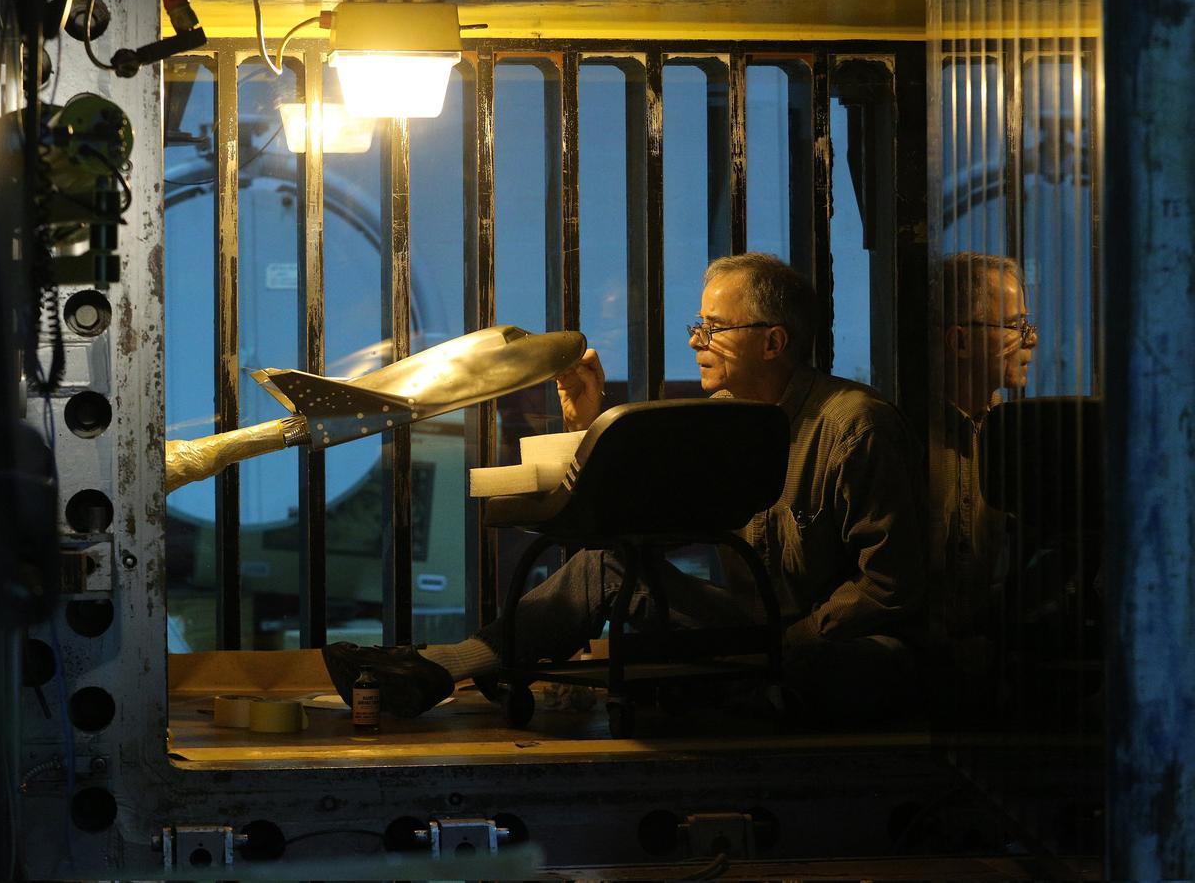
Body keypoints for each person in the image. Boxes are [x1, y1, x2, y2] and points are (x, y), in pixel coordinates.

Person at [322, 253, 927, 726]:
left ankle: (743, 687)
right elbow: (640, 516)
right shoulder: (724, 419)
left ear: (773, 342)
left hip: (827, 644)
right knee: (608, 566)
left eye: (714, 329)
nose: (695, 341)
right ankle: (442, 665)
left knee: (876, 664)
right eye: (697, 325)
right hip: (756, 634)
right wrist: (588, 423)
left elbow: (890, 586)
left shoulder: (855, 425)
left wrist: (787, 644)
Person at [930, 253, 1038, 670]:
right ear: (959, 341)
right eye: (1015, 325)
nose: (1030, 339)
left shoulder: (1006, 430)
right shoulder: (904, 440)